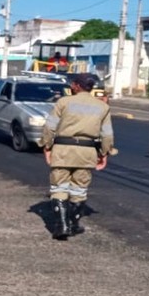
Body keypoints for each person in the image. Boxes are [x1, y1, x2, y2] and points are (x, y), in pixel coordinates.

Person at [41, 72, 114, 240]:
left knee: (59, 187)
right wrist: (104, 153)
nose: (71, 86)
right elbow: (107, 135)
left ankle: (61, 226)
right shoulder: (102, 107)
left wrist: (46, 145)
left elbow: (50, 127)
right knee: (79, 189)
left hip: (63, 150)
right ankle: (73, 224)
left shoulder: (63, 102)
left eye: (72, 84)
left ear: (76, 86)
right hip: (87, 152)